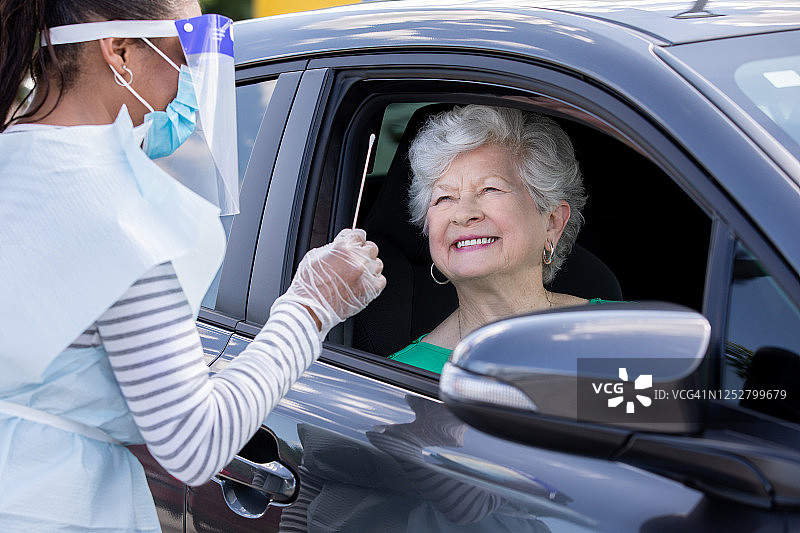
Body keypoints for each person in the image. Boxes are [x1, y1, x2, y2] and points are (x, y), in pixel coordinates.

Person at [0, 1, 385, 531]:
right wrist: (311, 307)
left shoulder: (15, 163)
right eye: (188, 52)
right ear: (120, 51)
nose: (192, 81)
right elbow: (195, 443)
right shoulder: (123, 210)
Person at [390, 104, 608, 374]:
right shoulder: (400, 375)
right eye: (444, 197)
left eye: (490, 189)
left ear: (552, 222)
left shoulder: (630, 334)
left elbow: (656, 415)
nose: (463, 214)